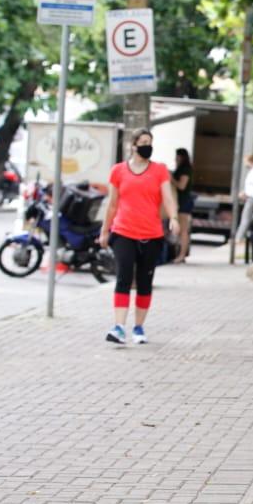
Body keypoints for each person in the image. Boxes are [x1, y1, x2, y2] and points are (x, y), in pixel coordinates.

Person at [100, 129, 180, 345]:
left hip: (151, 234)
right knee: (124, 277)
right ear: (133, 145)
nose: (147, 146)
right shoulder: (118, 171)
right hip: (123, 231)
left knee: (145, 281)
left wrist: (173, 217)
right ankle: (118, 327)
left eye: (150, 142)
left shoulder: (160, 171)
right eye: (143, 142)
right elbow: (112, 204)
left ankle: (138, 327)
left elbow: (168, 197)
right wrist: (105, 231)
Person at [236, 153, 253, 247]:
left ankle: (239, 238)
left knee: (246, 217)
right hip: (252, 197)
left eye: (245, 161)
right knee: (248, 217)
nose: (245, 163)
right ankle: (240, 237)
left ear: (250, 161)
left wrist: (248, 193)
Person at [172, 148, 193, 263]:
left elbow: (181, 186)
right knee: (181, 230)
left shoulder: (185, 170)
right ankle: (180, 254)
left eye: (177, 156)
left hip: (183, 202)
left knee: (183, 230)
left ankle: (182, 255)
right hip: (181, 201)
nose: (175, 158)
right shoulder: (182, 168)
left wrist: (170, 178)